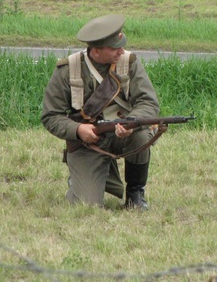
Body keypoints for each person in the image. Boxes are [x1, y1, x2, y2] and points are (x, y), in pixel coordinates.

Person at [42, 14, 161, 208]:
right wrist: (78, 131)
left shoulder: (129, 62)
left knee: (140, 134)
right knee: (87, 204)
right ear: (96, 51)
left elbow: (148, 102)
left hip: (122, 135)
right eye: (114, 48)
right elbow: (50, 116)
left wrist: (132, 121)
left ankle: (135, 194)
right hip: (87, 143)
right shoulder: (67, 70)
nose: (121, 51)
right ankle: (81, 180)